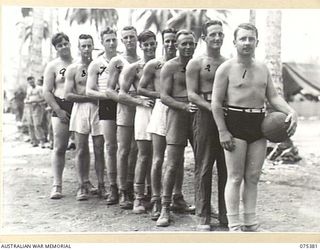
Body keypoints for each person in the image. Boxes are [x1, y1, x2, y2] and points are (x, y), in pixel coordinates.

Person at [211, 23, 298, 231]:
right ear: (235, 42)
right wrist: (223, 130)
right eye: (243, 38)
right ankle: (234, 225)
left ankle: (250, 222)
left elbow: (273, 97)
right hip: (235, 122)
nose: (247, 42)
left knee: (253, 176)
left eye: (251, 38)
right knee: (235, 177)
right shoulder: (226, 68)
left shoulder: (262, 68)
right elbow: (215, 102)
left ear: (257, 42)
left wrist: (290, 111)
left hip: (259, 124)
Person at [138, 28, 194, 220]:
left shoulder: (191, 63)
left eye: (172, 41)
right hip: (163, 109)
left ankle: (177, 197)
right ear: (163, 43)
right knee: (159, 158)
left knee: (178, 159)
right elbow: (141, 88)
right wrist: (162, 96)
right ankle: (156, 201)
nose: (170, 44)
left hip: (182, 110)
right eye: (167, 41)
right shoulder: (156, 64)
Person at [43, 32, 97, 199]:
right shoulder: (52, 66)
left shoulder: (79, 62)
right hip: (61, 105)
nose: (64, 46)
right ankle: (57, 184)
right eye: (60, 45)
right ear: (56, 48)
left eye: (66, 43)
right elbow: (46, 91)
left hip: (79, 104)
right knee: (60, 147)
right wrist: (58, 111)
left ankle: (85, 181)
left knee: (83, 146)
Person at [186, 20, 228, 231]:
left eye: (220, 34)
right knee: (203, 165)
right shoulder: (197, 62)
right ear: (204, 38)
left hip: (227, 117)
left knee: (226, 166)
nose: (217, 38)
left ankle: (225, 215)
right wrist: (212, 108)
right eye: (213, 34)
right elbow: (192, 93)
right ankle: (202, 216)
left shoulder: (229, 62)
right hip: (205, 116)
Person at [157, 30, 198, 227]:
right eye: (184, 44)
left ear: (195, 45)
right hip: (177, 113)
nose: (188, 47)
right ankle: (165, 207)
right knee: (172, 162)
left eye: (191, 43)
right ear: (176, 46)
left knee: (203, 161)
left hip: (198, 115)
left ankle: (204, 204)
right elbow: (164, 96)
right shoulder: (170, 66)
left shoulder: (200, 64)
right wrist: (183, 106)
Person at [119, 30, 157, 214]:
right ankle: (138, 198)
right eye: (146, 44)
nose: (149, 47)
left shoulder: (162, 65)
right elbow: (121, 93)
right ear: (140, 46)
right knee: (143, 155)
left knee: (158, 156)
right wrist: (139, 101)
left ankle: (155, 196)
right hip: (143, 112)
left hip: (160, 110)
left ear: (156, 44)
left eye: (152, 43)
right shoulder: (134, 68)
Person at [64, 34, 106, 201]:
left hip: (98, 109)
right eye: (84, 46)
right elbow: (67, 95)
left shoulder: (99, 66)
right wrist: (90, 97)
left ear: (93, 46)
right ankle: (82, 185)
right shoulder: (73, 69)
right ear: (79, 48)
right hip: (81, 109)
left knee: (99, 148)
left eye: (89, 46)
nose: (87, 49)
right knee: (81, 148)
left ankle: (102, 185)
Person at [106, 26, 140, 209]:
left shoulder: (144, 59)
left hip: (144, 107)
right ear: (122, 40)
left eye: (132, 37)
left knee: (140, 149)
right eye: (125, 37)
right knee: (124, 149)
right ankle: (122, 190)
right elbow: (109, 90)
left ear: (137, 38)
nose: (129, 40)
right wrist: (126, 99)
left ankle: (138, 187)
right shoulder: (117, 61)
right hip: (126, 107)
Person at [86, 27, 119, 204]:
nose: (112, 43)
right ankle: (113, 187)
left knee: (129, 147)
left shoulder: (122, 59)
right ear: (102, 42)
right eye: (108, 40)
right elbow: (89, 90)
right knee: (111, 147)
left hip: (124, 102)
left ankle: (126, 187)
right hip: (107, 105)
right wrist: (108, 95)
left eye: (114, 39)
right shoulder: (97, 64)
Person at [24, 76, 46, 148]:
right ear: (28, 82)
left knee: (37, 124)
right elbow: (27, 98)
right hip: (30, 107)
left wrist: (35, 101)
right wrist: (26, 101)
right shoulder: (29, 89)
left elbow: (43, 98)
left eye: (32, 81)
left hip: (38, 107)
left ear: (34, 81)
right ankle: (34, 140)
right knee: (30, 124)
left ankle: (42, 141)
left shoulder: (40, 88)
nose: (31, 83)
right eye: (30, 82)